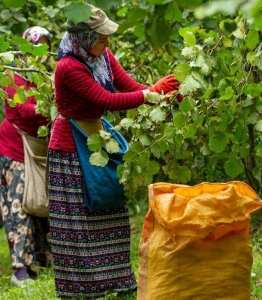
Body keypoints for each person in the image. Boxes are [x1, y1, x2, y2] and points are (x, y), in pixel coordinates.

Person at [48, 5, 180, 299]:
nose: (108, 43)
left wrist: (161, 95)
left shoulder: (103, 57)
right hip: (71, 146)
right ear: (83, 37)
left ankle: (117, 281)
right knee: (80, 217)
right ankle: (82, 289)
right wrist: (148, 94)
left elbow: (130, 87)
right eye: (102, 37)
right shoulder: (68, 67)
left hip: (97, 138)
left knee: (109, 204)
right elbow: (107, 98)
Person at [0, 26, 53, 286]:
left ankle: (44, 261)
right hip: (14, 148)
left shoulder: (48, 76)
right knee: (19, 206)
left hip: (41, 149)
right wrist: (52, 104)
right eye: (35, 46)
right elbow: (25, 110)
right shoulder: (13, 77)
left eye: (45, 46)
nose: (40, 52)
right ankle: (19, 270)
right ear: (25, 49)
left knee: (42, 203)